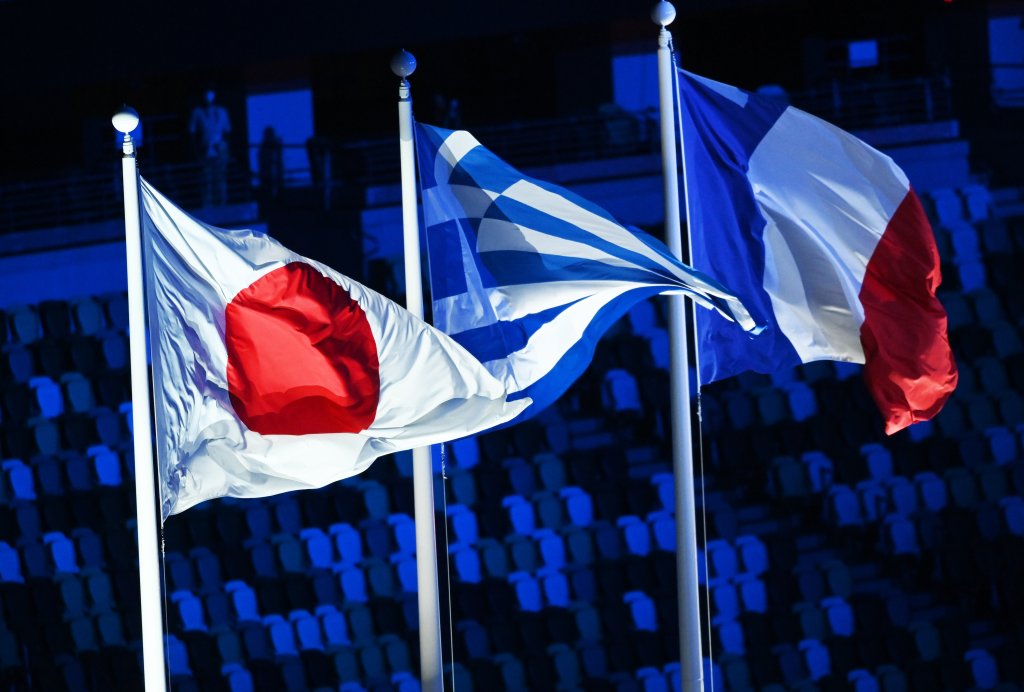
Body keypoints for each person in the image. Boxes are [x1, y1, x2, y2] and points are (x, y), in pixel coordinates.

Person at [189, 89, 232, 206]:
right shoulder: (197, 112)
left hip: (220, 149)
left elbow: (227, 131)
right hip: (205, 149)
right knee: (206, 178)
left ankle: (222, 203)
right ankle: (208, 204)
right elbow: (192, 133)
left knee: (220, 177)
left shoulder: (222, 111)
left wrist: (223, 146)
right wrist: (197, 150)